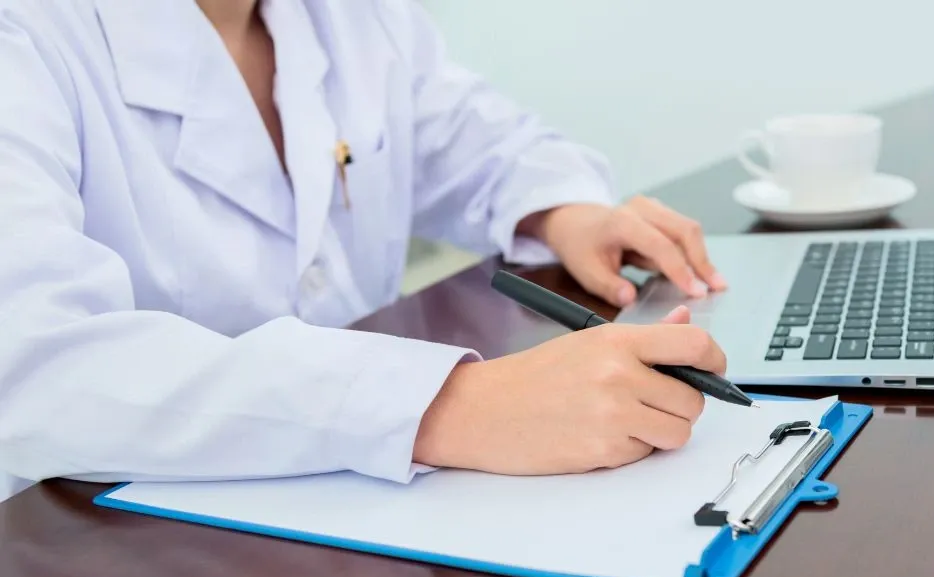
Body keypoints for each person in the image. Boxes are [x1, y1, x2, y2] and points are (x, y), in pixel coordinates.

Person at [0, 0, 730, 499]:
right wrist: (449, 407)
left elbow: (469, 136)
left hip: (355, 509)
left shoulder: (349, 14)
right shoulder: (26, 37)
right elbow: (37, 369)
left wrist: (563, 212)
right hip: (105, 537)